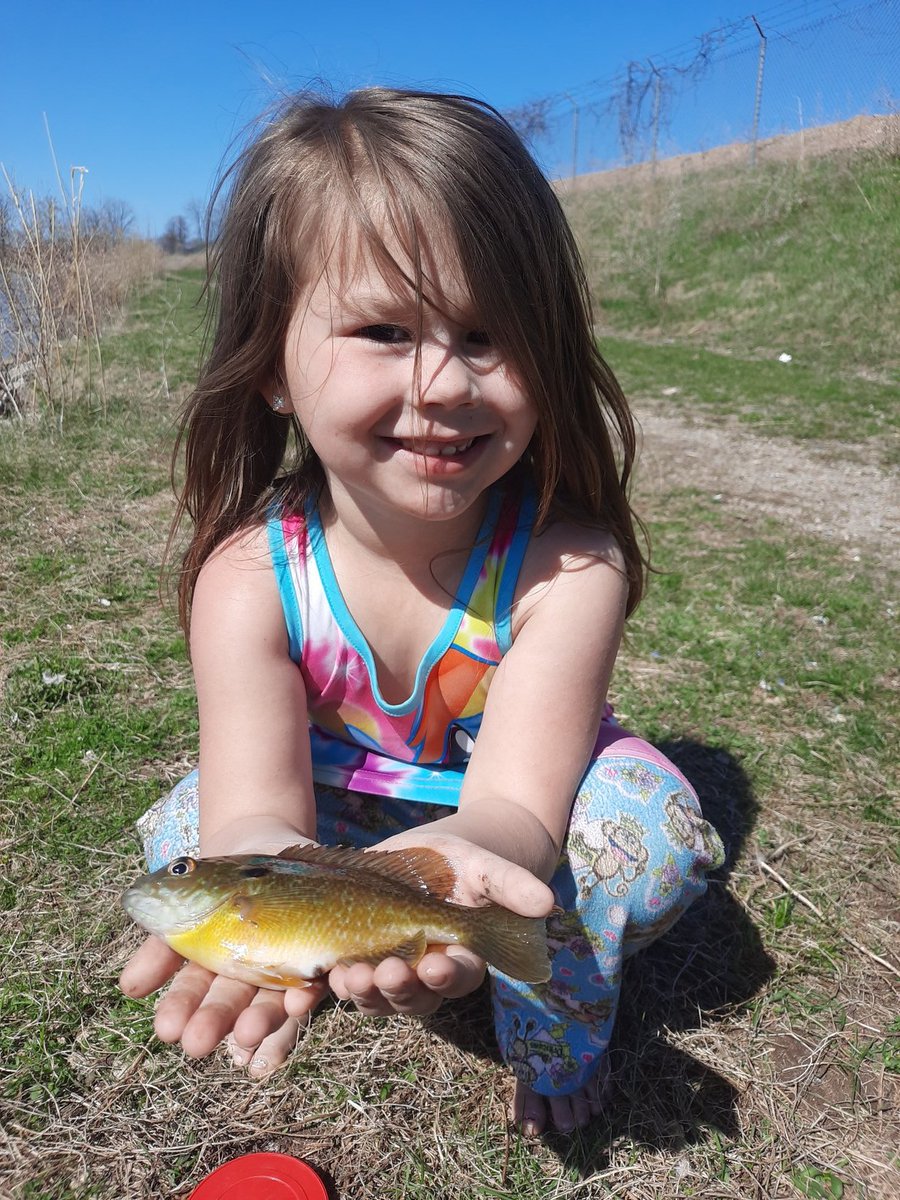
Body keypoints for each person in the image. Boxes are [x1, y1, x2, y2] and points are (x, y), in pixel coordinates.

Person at [119, 87, 724, 1138]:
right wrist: (284, 898)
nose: (442, 381)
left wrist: (452, 869)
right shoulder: (247, 580)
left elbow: (518, 812)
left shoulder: (567, 568)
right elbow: (256, 819)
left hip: (508, 815)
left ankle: (553, 1030)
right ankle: (381, 946)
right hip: (342, 813)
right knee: (188, 830)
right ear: (270, 364)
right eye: (385, 329)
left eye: (488, 333)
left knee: (640, 833)